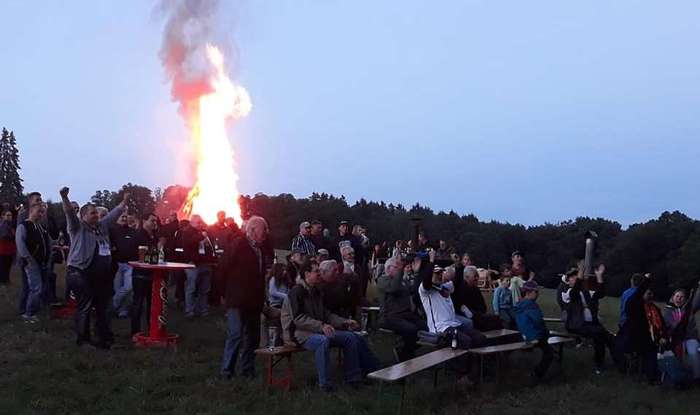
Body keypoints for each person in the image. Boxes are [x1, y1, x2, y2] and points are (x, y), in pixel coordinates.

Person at [281, 259, 379, 392]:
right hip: (297, 333)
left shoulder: (316, 291)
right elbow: (298, 319)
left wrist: (344, 321)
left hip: (315, 329)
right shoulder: (296, 292)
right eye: (316, 271)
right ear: (306, 274)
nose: (319, 274)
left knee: (350, 337)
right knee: (323, 341)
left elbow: (326, 315)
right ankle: (325, 385)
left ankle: (353, 379)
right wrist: (321, 326)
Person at [61, 187, 128, 348]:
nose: (96, 215)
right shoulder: (77, 227)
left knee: (103, 305)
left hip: (98, 275)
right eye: (92, 213)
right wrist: (64, 197)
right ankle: (83, 340)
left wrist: (124, 202)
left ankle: (104, 337)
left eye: (96, 213)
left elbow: (113, 214)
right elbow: (69, 213)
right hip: (79, 272)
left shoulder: (101, 226)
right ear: (83, 216)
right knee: (85, 304)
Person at [220, 216, 269, 380]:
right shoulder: (238, 245)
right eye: (264, 230)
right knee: (235, 334)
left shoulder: (260, 249)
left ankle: (247, 369)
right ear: (253, 230)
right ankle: (227, 371)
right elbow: (223, 267)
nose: (266, 233)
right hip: (237, 299)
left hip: (254, 301)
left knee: (253, 337)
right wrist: (222, 293)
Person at [560, 261, 618, 374]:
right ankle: (600, 364)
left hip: (591, 324)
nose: (576, 278)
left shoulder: (585, 292)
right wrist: (581, 272)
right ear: (568, 281)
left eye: (576, 275)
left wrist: (599, 276)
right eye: (573, 277)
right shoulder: (569, 293)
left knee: (607, 338)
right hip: (577, 324)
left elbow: (600, 293)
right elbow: (576, 288)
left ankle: (617, 363)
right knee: (599, 333)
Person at [376, 255, 426, 361]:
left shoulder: (402, 281)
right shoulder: (382, 280)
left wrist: (417, 273)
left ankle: (403, 350)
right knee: (411, 329)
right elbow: (393, 288)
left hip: (406, 315)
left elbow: (414, 290)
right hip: (390, 317)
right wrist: (401, 270)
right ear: (388, 268)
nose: (400, 269)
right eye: (396, 267)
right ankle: (405, 356)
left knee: (425, 328)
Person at [615, 273, 658, 383]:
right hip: (635, 335)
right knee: (649, 348)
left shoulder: (629, 296)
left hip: (629, 331)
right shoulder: (636, 303)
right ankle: (648, 374)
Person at [15, 201, 52, 323]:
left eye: (42, 212)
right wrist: (28, 259)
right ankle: (29, 313)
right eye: (38, 212)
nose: (41, 214)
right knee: (36, 288)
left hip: (42, 262)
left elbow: (47, 243)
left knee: (40, 287)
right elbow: (20, 244)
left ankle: (33, 310)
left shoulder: (40, 227)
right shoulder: (24, 226)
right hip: (32, 263)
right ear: (31, 211)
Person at [176, 215, 214, 318]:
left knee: (204, 289)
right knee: (191, 287)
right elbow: (190, 242)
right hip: (192, 264)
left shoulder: (201, 232)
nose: (200, 224)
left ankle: (202, 309)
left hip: (205, 263)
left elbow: (210, 247)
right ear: (192, 222)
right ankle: (189, 311)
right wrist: (202, 236)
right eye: (198, 222)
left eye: (201, 222)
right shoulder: (187, 232)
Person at [514, 280, 553, 380]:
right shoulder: (531, 305)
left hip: (525, 336)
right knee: (549, 353)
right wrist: (545, 333)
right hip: (534, 336)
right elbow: (538, 321)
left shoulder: (520, 305)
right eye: (536, 292)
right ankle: (537, 374)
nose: (538, 294)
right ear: (528, 293)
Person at [130, 212, 159, 336]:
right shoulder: (138, 235)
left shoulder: (154, 236)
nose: (154, 223)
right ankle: (135, 331)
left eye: (155, 221)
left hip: (152, 273)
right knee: (138, 303)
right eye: (152, 220)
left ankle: (151, 328)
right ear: (144, 221)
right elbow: (135, 254)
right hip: (140, 274)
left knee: (151, 303)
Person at [663, 284, 700, 381]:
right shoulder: (667, 310)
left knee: (693, 352)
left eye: (681, 297)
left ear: (685, 299)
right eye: (677, 296)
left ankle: (697, 377)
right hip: (676, 338)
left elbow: (696, 301)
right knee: (678, 353)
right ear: (673, 297)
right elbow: (671, 326)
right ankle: (680, 376)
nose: (679, 299)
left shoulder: (689, 309)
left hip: (690, 337)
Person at [452, 265, 503, 331]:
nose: (477, 279)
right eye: (474, 277)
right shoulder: (460, 290)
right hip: (468, 315)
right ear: (466, 277)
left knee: (496, 319)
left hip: (478, 314)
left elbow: (483, 306)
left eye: (477, 276)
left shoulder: (475, 289)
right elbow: (462, 307)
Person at [110, 211, 138, 318]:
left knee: (128, 288)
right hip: (116, 264)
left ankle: (112, 305)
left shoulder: (133, 231)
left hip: (130, 264)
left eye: (126, 216)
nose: (124, 218)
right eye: (122, 216)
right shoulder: (112, 231)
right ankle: (122, 310)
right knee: (118, 288)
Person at [0, 210, 16, 285]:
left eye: (10, 215)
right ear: (3, 216)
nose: (9, 217)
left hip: (9, 249)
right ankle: (3, 280)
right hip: (4, 249)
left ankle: (6, 279)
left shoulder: (10, 224)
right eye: (7, 215)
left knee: (8, 265)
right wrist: (13, 235)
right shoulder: (3, 225)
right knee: (4, 265)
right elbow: (4, 236)